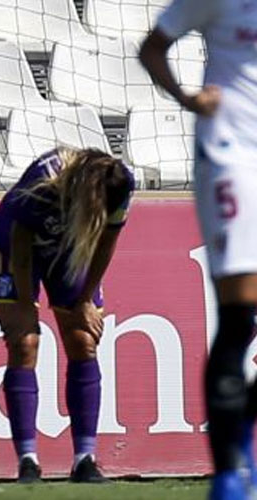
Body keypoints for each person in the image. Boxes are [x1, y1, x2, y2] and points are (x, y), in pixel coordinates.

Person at [139, 2, 257, 498]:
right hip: (232, 160)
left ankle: (241, 442)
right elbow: (153, 48)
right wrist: (188, 100)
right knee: (240, 318)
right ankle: (228, 475)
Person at [0, 147, 135, 483]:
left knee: (83, 339)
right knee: (24, 343)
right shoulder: (46, 180)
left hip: (68, 246)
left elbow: (107, 242)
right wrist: (25, 304)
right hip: (12, 247)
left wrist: (84, 299)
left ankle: (85, 459)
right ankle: (27, 461)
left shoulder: (121, 183)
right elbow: (20, 246)